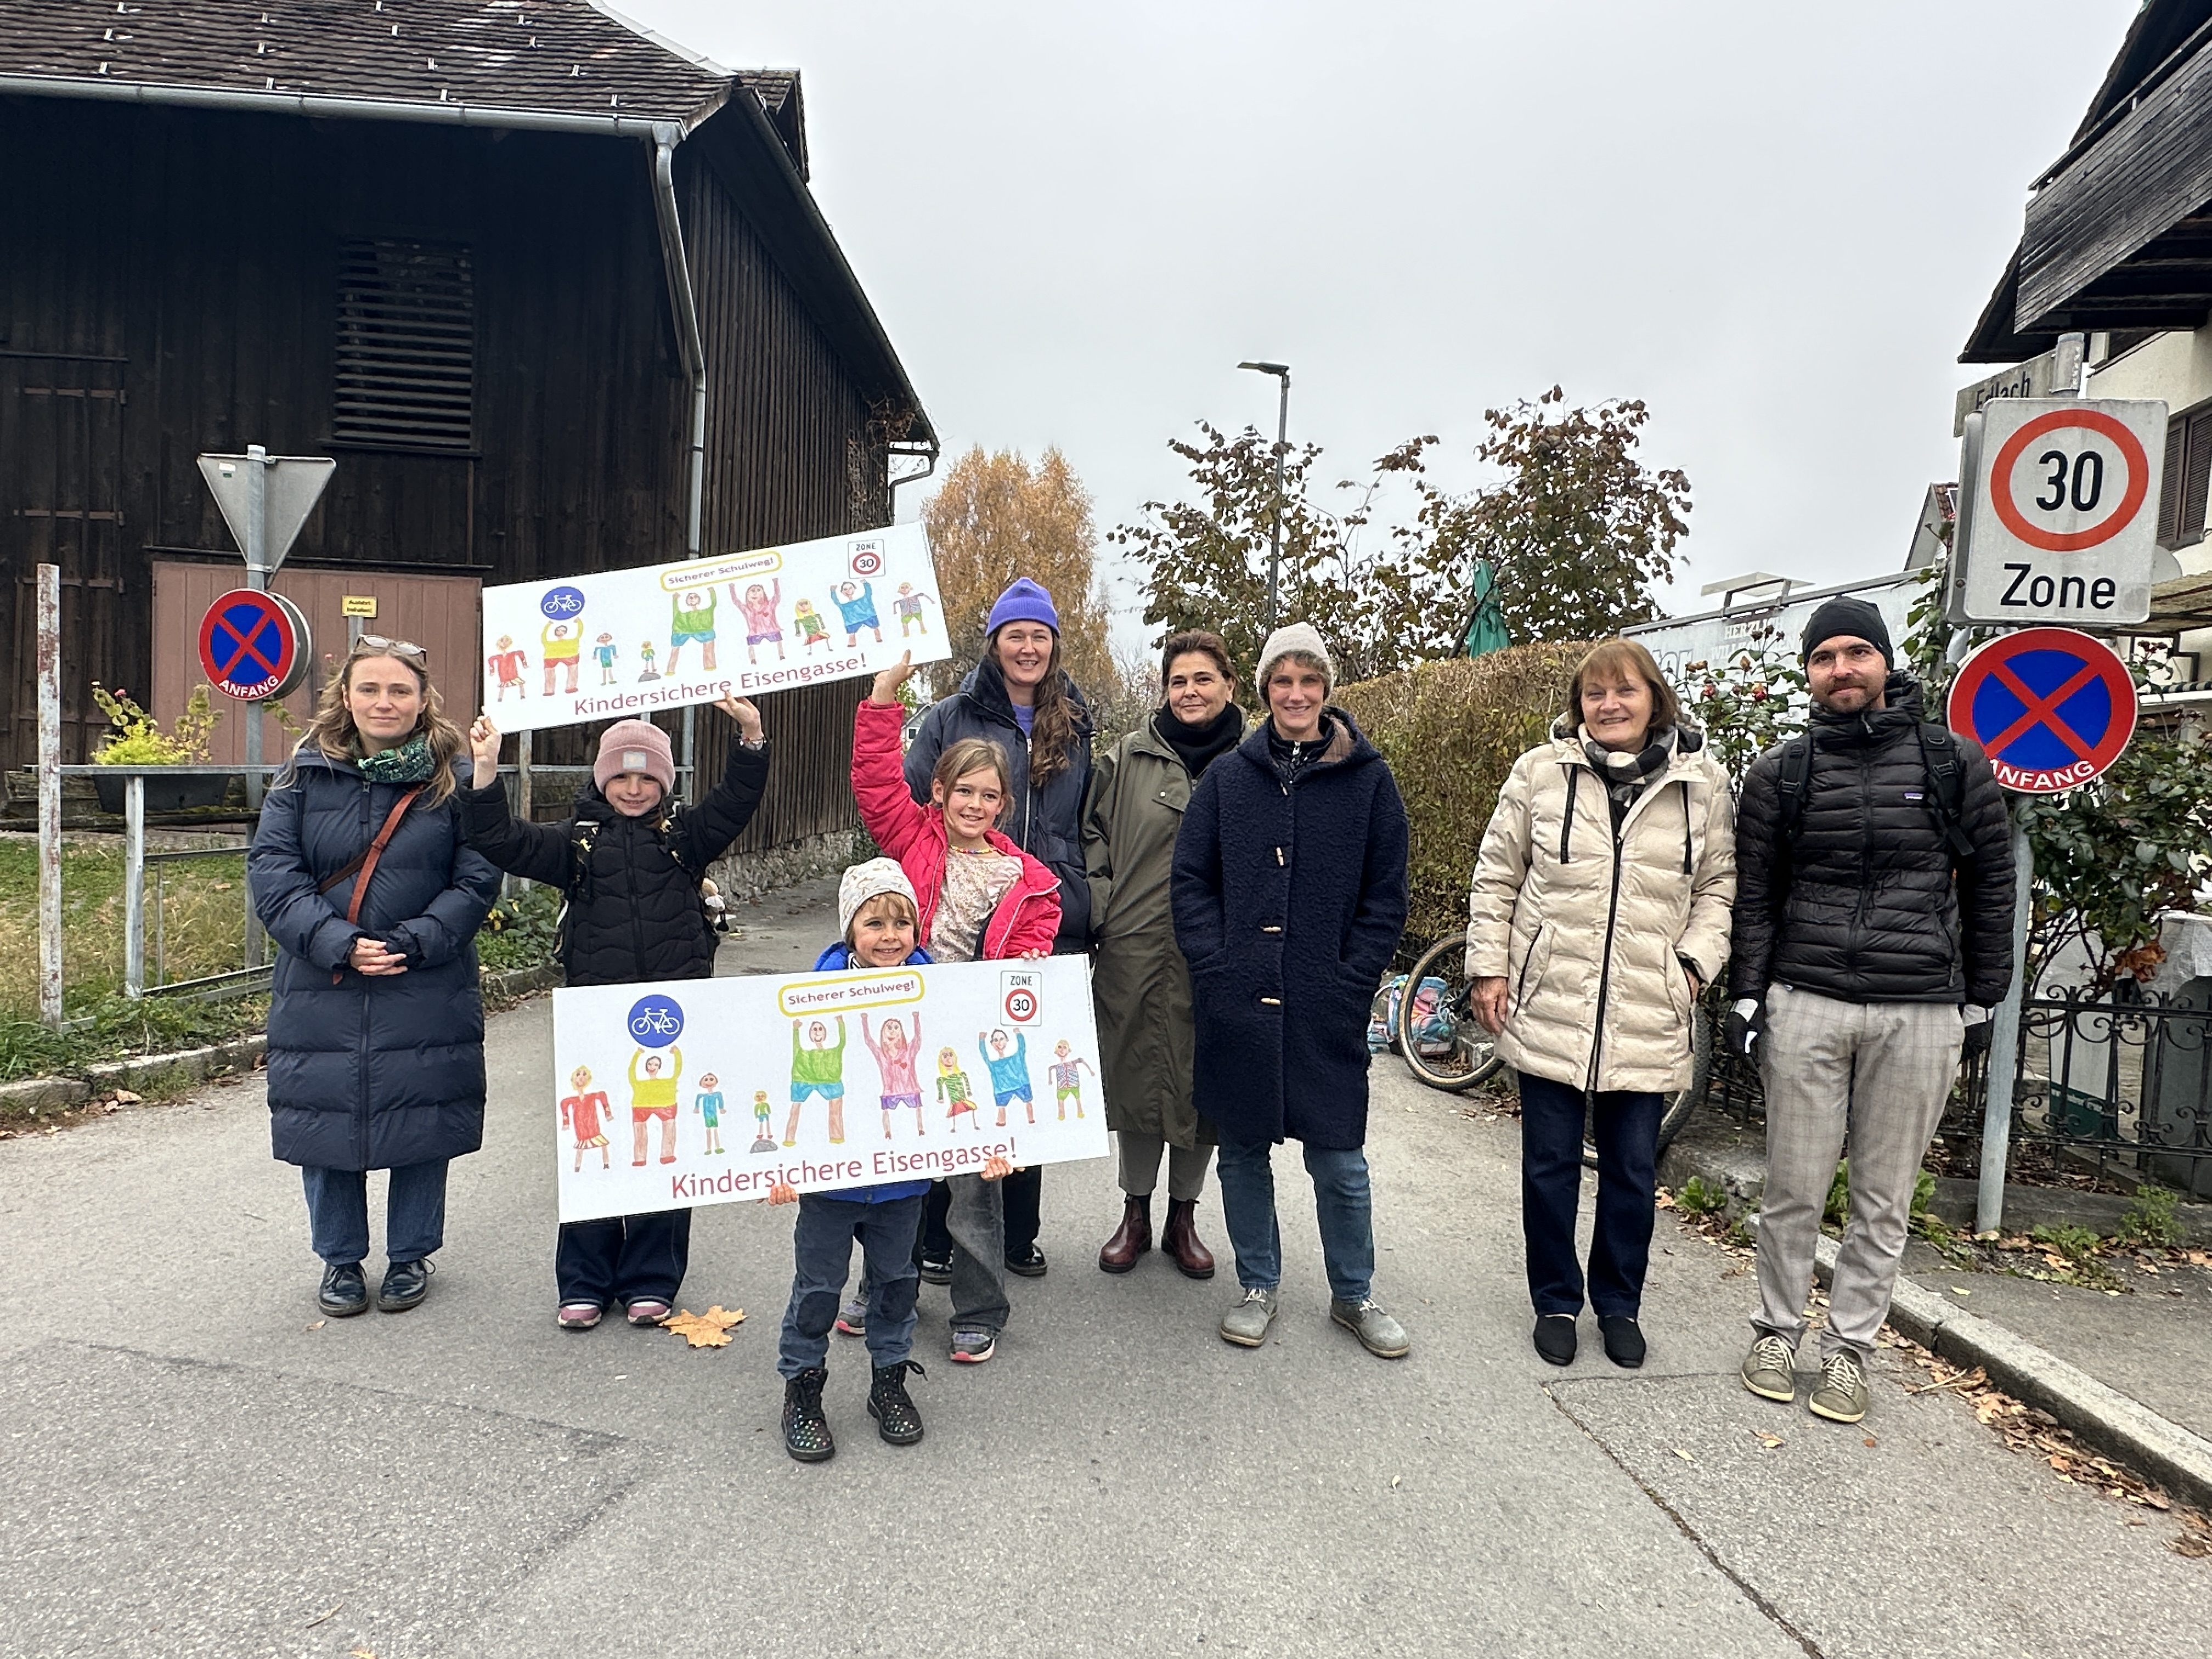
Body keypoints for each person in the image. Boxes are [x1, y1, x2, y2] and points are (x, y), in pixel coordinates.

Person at [1729, 597, 2014, 1425]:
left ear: (1885, 662)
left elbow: (1994, 888)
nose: (1842, 669)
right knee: (1793, 1187)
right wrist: (1750, 992)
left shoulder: (1955, 763)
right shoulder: (1781, 773)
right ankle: (1777, 1331)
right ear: (1809, 674)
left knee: (1884, 1197)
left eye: (1858, 653)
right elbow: (1758, 895)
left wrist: (1983, 999)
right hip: (1807, 999)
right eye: (1825, 658)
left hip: (1919, 1008)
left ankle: (1851, 1349)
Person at [1467, 639, 1737, 1370]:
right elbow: (1497, 877)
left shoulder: (1701, 784)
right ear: (1578, 704)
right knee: (1548, 1164)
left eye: (1624, 692)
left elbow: (1716, 888)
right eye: (1594, 694)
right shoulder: (1540, 773)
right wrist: (1489, 967)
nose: (1609, 705)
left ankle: (1619, 1303)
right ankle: (1556, 1298)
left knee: (1630, 1169)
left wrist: (1693, 965)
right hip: (1551, 993)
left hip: (1649, 999)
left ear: (1655, 698)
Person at [459, 698, 771, 1331]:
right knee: (595, 1148)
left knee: (663, 1144)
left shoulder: (684, 837)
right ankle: (584, 1279)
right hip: (597, 1025)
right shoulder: (576, 844)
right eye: (622, 777)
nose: (634, 789)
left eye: (647, 777)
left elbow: (737, 800)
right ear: (603, 780)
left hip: (675, 1020)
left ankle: (651, 1277)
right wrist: (486, 773)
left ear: (665, 784)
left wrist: (750, 735)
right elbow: (499, 839)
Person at [1171, 623, 1412, 1359]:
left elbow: (1386, 895)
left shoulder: (1369, 781)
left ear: (1327, 689)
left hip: (1324, 1001)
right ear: (1266, 689)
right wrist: (1213, 966)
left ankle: (1354, 1293)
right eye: (1283, 680)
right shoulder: (1228, 780)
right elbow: (1192, 882)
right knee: (1242, 1152)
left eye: (1310, 680)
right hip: (1238, 1000)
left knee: (1339, 1159)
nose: (1297, 694)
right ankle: (1258, 1284)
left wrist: (1353, 977)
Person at [249, 636, 503, 1318]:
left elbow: (477, 877)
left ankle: (410, 1254)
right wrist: (340, 943)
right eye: (370, 689)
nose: (384, 702)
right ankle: (339, 1261)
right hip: (322, 981)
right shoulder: (302, 775)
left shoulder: (453, 778)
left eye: (399, 690)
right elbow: (273, 875)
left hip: (424, 978)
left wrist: (414, 943)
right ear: (347, 697)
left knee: (420, 1119)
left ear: (423, 700)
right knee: (326, 1122)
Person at [853, 652, 1059, 1364]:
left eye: (988, 796)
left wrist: (1022, 981)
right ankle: (885, 1291)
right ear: (939, 793)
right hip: (900, 1033)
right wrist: (883, 699)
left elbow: (1031, 955)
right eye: (962, 792)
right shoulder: (913, 839)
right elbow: (877, 783)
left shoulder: (1028, 881)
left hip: (973, 1043)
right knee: (893, 1178)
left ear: (1004, 805)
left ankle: (979, 1307)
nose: (974, 805)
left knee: (973, 1189)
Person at [768, 859, 1009, 1462]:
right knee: (819, 1289)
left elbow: (964, 1074)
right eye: (873, 922)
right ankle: (802, 1387)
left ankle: (889, 1381)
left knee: (897, 1285)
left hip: (902, 1186)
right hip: (831, 1189)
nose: (889, 935)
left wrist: (989, 1145)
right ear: (850, 930)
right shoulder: (810, 998)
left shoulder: (939, 998)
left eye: (902, 922)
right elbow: (778, 1078)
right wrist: (780, 1164)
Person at [904, 577, 1092, 1279]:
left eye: (1040, 635)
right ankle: (933, 1236)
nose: (1028, 647)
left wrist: (1080, 894)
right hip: (956, 925)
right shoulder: (951, 716)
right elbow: (906, 803)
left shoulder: (1074, 718)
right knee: (949, 1080)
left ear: (1052, 644)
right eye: (1016, 634)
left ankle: (1017, 1234)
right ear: (995, 642)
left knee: (1027, 1077)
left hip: (1044, 911)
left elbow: (1081, 821)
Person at [1083, 629, 1244, 1278]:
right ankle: (1135, 1211)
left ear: (1229, 686)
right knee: (1138, 1079)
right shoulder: (1127, 758)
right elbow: (1091, 835)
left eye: (1203, 679)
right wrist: (1104, 909)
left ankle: (1185, 1216)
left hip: (1218, 953)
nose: (1190, 692)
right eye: (1179, 681)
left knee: (1200, 1086)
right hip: (1137, 946)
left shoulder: (1254, 761)